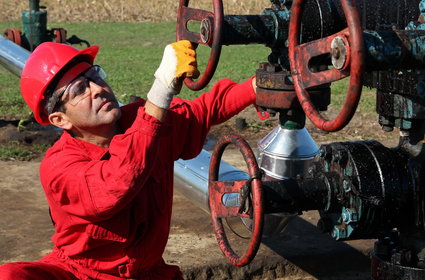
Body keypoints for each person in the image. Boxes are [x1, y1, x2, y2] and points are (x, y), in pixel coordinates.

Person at [0, 40, 257, 279]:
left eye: (95, 76)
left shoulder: (142, 119)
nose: (98, 89)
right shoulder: (59, 167)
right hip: (81, 274)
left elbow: (204, 110)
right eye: (80, 89)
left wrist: (258, 87)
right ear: (60, 120)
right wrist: (159, 95)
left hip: (147, 272)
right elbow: (116, 183)